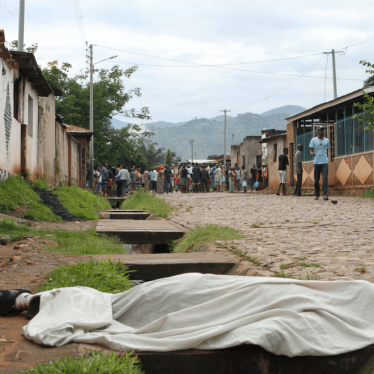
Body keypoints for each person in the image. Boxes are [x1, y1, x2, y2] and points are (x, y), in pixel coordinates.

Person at [310, 126, 330, 200]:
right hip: (317, 163)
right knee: (316, 180)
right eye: (320, 130)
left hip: (325, 162)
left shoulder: (326, 140)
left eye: (323, 130)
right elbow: (311, 150)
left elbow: (327, 150)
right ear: (317, 131)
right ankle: (317, 194)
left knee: (325, 179)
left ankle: (325, 195)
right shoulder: (313, 140)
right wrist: (312, 153)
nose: (322, 131)